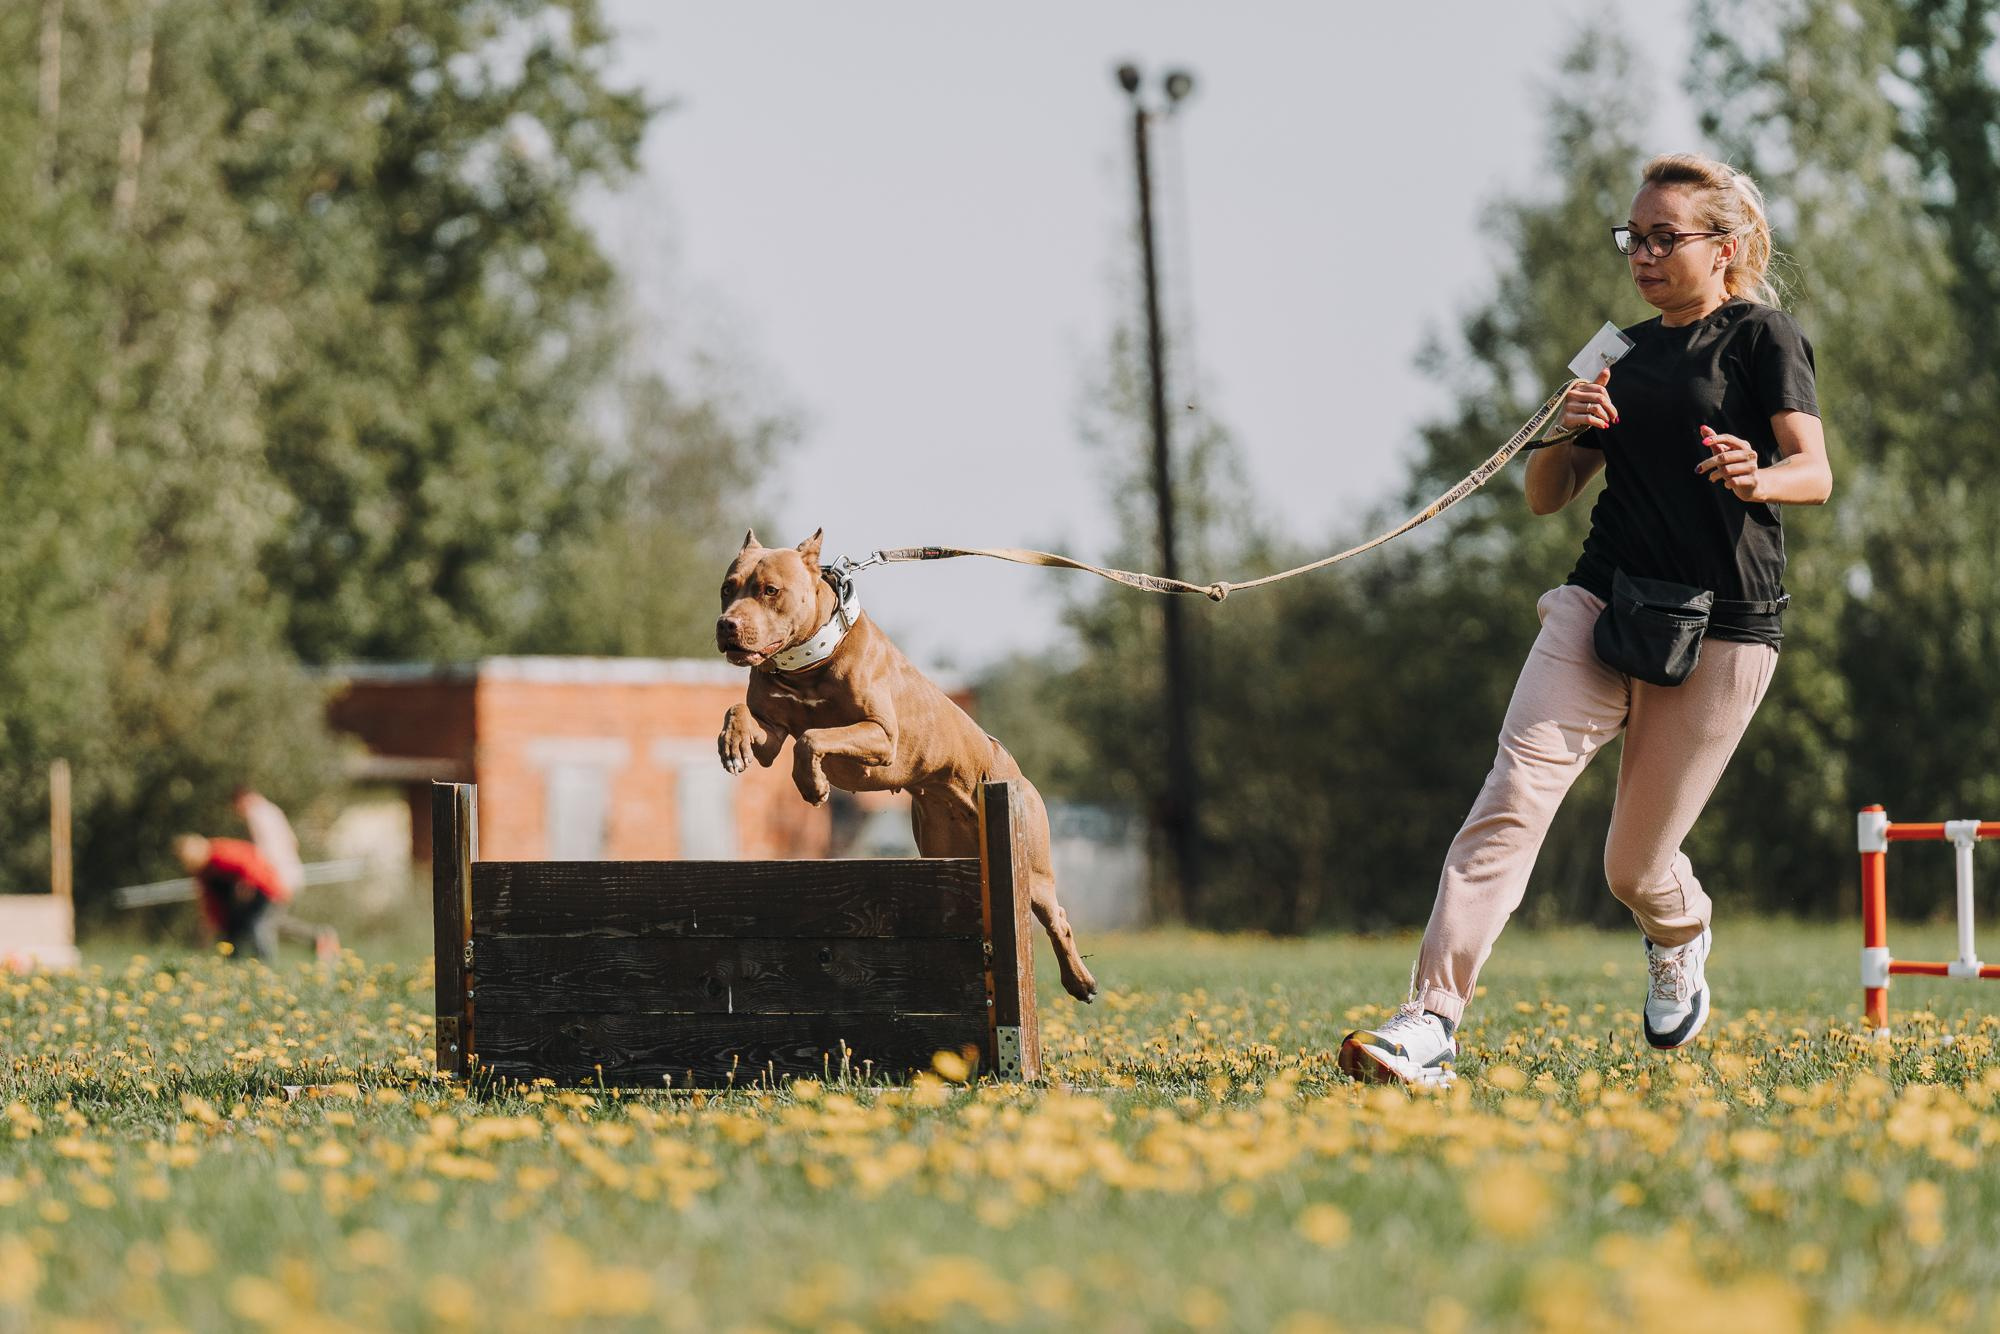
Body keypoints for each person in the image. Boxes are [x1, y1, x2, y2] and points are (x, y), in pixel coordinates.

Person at [1339, 153, 1832, 1086]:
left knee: (1633, 869)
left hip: (1725, 625)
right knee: (1512, 795)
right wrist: (1569, 428)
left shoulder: (1763, 336)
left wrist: (1756, 476)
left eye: (1663, 238)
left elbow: (1815, 472)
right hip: (1602, 605)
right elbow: (1545, 495)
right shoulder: (1613, 348)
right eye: (1632, 238)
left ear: (1724, 248)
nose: (1642, 255)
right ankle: (1431, 1020)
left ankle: (1679, 931)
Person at [173, 833, 291, 962]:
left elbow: (249, 863)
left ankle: (266, 962)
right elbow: (212, 901)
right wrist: (215, 922)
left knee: (258, 926)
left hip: (266, 891)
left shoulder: (220, 852)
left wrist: (246, 883)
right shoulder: (204, 872)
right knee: (231, 930)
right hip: (244, 899)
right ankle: (234, 963)